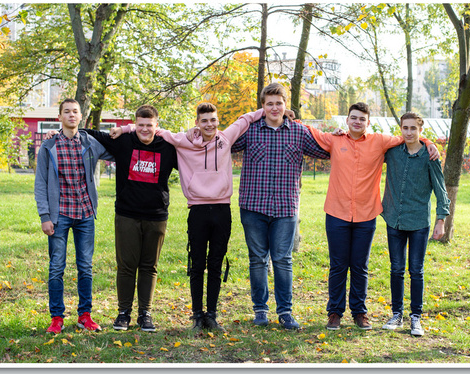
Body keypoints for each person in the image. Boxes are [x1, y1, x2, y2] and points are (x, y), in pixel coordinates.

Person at [227, 84, 331, 329]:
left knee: (283, 260)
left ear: (286, 106)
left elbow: (328, 151)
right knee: (257, 259)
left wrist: (339, 136)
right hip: (253, 206)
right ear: (262, 107)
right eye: (269, 103)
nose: (274, 108)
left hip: (285, 209)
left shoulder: (299, 132)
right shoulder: (250, 131)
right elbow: (222, 142)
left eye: (279, 103)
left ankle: (285, 311)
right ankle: (260, 310)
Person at [81, 104, 181, 329]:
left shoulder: (167, 147)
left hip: (156, 215)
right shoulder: (123, 142)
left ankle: (145, 313)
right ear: (135, 124)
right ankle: (123, 312)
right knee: (126, 266)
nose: (144, 130)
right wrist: (55, 132)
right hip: (127, 214)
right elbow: (89, 133)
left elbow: (193, 148)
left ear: (157, 125)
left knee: (149, 266)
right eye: (140, 125)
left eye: (149, 125)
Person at [303, 102, 402, 328]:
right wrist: (291, 115)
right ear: (347, 120)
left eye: (362, 119)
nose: (357, 122)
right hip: (337, 213)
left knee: (359, 265)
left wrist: (429, 143)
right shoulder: (334, 140)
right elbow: (309, 130)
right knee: (338, 265)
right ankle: (335, 312)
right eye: (353, 118)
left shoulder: (380, 142)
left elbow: (408, 137)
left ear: (368, 122)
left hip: (366, 214)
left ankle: (359, 312)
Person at [30, 96, 107, 333]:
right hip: (59, 214)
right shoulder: (49, 146)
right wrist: (45, 216)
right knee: (56, 267)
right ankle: (57, 317)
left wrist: (128, 130)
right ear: (59, 117)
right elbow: (40, 183)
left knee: (85, 266)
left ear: (81, 117)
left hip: (84, 212)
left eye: (75, 111)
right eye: (67, 111)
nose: (72, 115)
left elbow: (117, 150)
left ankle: (85, 315)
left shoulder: (90, 143)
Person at [378, 112, 453, 337]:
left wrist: (441, 220)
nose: (409, 132)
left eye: (413, 128)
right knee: (396, 269)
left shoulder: (429, 157)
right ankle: (396, 314)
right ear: (400, 129)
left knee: (416, 271)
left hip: (419, 221)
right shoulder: (391, 153)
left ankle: (416, 317)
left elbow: (441, 190)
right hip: (395, 219)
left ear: (420, 130)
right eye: (405, 128)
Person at [164, 103, 237, 332]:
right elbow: (156, 131)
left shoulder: (226, 139)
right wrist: (124, 130)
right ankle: (197, 315)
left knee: (216, 264)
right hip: (197, 210)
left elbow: (246, 118)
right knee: (197, 265)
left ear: (218, 120)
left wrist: (283, 112)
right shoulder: (185, 141)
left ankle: (212, 315)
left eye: (213, 120)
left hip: (222, 210)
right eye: (204, 120)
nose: (209, 124)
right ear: (197, 122)